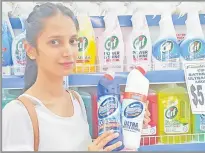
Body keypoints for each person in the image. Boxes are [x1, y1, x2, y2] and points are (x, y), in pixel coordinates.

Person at [2, 2, 150, 151]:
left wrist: (129, 127)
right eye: (55, 42)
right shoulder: (17, 113)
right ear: (31, 50)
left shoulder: (76, 100)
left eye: (72, 41)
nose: (68, 51)